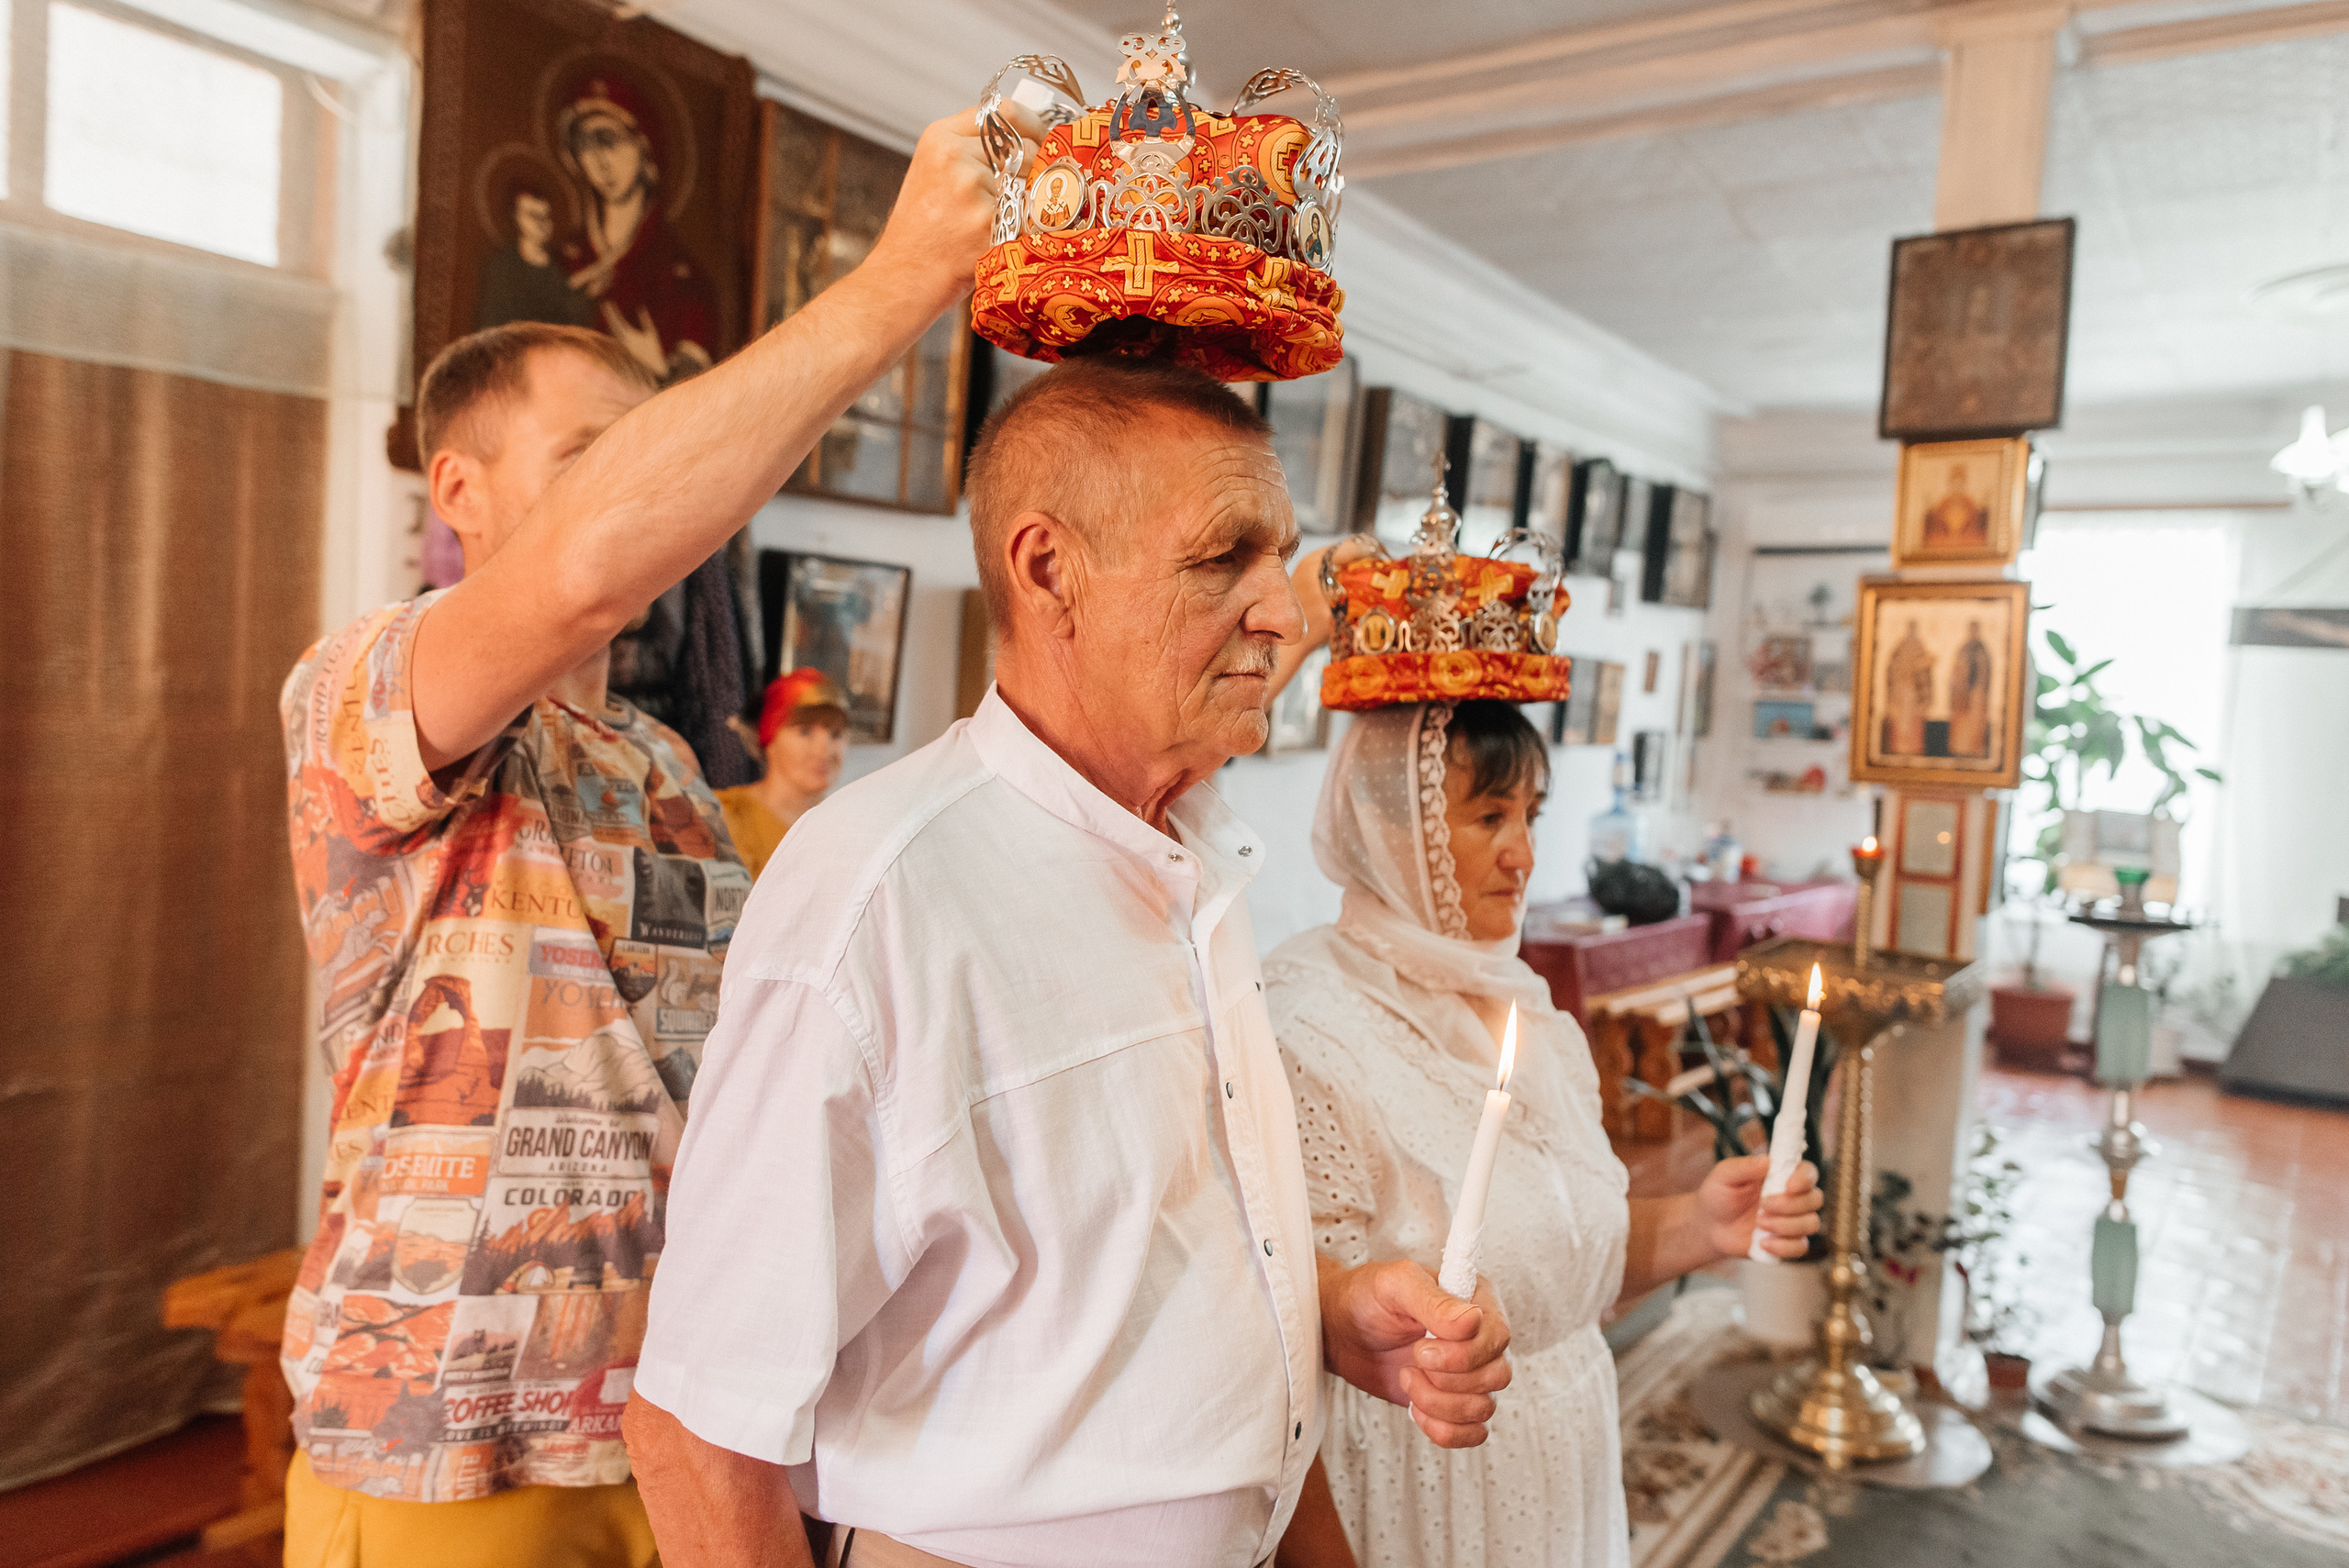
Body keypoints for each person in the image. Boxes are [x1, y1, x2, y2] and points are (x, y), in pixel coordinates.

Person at [274, 103, 1029, 1567]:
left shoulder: (671, 766)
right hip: (447, 1448)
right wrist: (900, 282)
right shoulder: (365, 684)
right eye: (589, 459)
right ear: (460, 492)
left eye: (653, 459)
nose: (646, 497)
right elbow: (576, 583)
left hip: (688, 1430)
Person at [622, 357, 1515, 1568]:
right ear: (1051, 571)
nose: (1282, 610)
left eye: (1280, 558)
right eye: (1224, 559)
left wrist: (1335, 1306)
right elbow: (698, 1421)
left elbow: (1137, 1235)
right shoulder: (880, 892)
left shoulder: (1197, 848)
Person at [1263, 699, 1823, 1568]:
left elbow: (1560, 1267)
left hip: (1559, 1469)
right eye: (1488, 816)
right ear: (1387, 825)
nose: (1523, 854)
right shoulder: (1304, 1027)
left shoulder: (1528, 1005)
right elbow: (1282, 1362)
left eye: (1531, 814)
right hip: (1420, 1496)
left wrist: (1702, 1225)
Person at [717, 668, 851, 878]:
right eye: (805, 732)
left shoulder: (850, 829)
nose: (824, 750)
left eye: (836, 734)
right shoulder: (724, 816)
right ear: (769, 739)